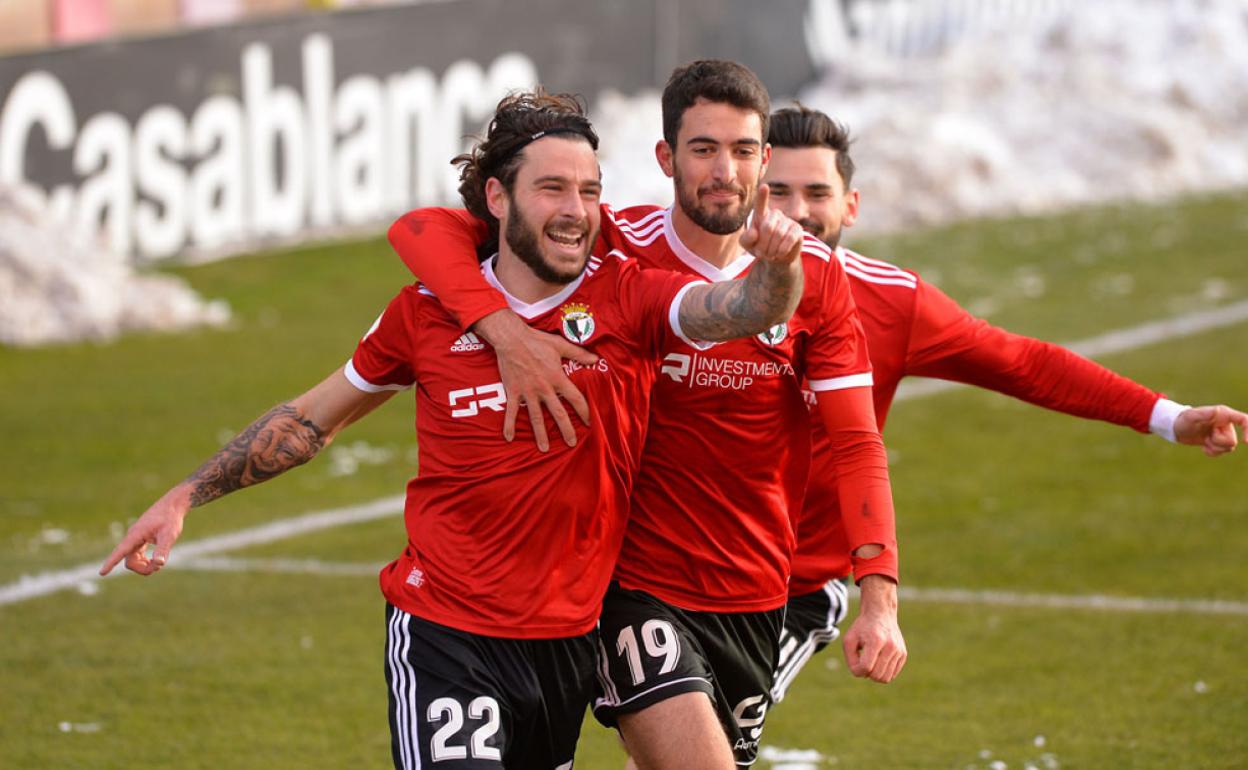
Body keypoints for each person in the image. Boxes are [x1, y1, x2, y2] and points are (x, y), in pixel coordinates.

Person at [98, 90, 811, 770]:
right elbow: (315, 418)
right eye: (552, 189)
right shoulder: (425, 313)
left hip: (564, 642)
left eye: (591, 192)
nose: (577, 212)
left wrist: (779, 269)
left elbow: (740, 308)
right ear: (497, 198)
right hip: (445, 632)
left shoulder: (630, 297)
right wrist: (188, 493)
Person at [387, 61, 904, 769]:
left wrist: (880, 598)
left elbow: (857, 443)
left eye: (744, 151)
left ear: (763, 160)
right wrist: (502, 331)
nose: (724, 170)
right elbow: (421, 230)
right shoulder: (610, 246)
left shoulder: (817, 281)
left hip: (751, 588)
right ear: (666, 158)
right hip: (632, 587)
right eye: (703, 149)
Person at [761, 103, 1248, 703]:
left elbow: (1023, 364)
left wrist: (1168, 417)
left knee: (696, 747)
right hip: (678, 558)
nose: (797, 212)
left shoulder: (893, 304)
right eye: (777, 191)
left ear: (850, 207)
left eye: (817, 192)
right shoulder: (695, 288)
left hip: (794, 585)